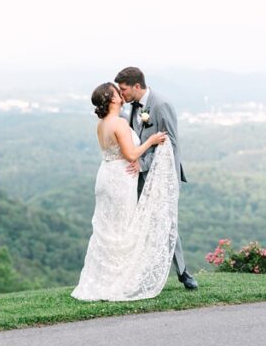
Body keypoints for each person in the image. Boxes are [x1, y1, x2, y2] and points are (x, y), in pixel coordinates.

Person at [71, 82, 178, 301]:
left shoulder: (101, 124)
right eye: (117, 92)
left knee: (106, 228)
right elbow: (130, 155)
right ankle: (120, 281)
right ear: (112, 99)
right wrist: (151, 140)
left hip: (105, 176)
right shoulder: (118, 123)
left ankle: (103, 280)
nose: (121, 94)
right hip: (121, 178)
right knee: (122, 228)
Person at [114, 66, 198, 290]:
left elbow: (170, 143)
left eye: (124, 89)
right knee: (141, 223)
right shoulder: (130, 107)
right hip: (137, 177)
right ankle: (142, 273)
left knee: (166, 222)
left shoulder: (161, 105)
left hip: (161, 175)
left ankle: (183, 272)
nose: (121, 94)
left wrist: (142, 164)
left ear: (137, 86)